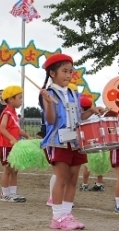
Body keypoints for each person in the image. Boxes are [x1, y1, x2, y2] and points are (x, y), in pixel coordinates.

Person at [40, 54, 104, 229]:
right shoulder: (49, 93)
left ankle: (66, 215)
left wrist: (91, 111)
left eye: (70, 71)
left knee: (73, 178)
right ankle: (57, 217)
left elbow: (79, 117)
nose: (68, 75)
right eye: (64, 71)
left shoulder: (73, 93)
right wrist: (47, 104)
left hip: (75, 141)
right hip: (58, 140)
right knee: (62, 178)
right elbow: (51, 120)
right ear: (52, 73)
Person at [0, 86, 30, 203]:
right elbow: (2, 128)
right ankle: (4, 194)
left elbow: (16, 129)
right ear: (11, 99)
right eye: (19, 98)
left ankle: (13, 193)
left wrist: (26, 135)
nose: (21, 100)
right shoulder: (7, 113)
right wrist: (11, 138)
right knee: (8, 169)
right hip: (4, 144)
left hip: (12, 145)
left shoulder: (14, 113)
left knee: (15, 169)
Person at [78, 95, 105, 192]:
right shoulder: (96, 116)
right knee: (100, 164)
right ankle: (99, 183)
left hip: (89, 143)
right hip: (100, 143)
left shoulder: (82, 117)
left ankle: (85, 184)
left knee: (87, 165)